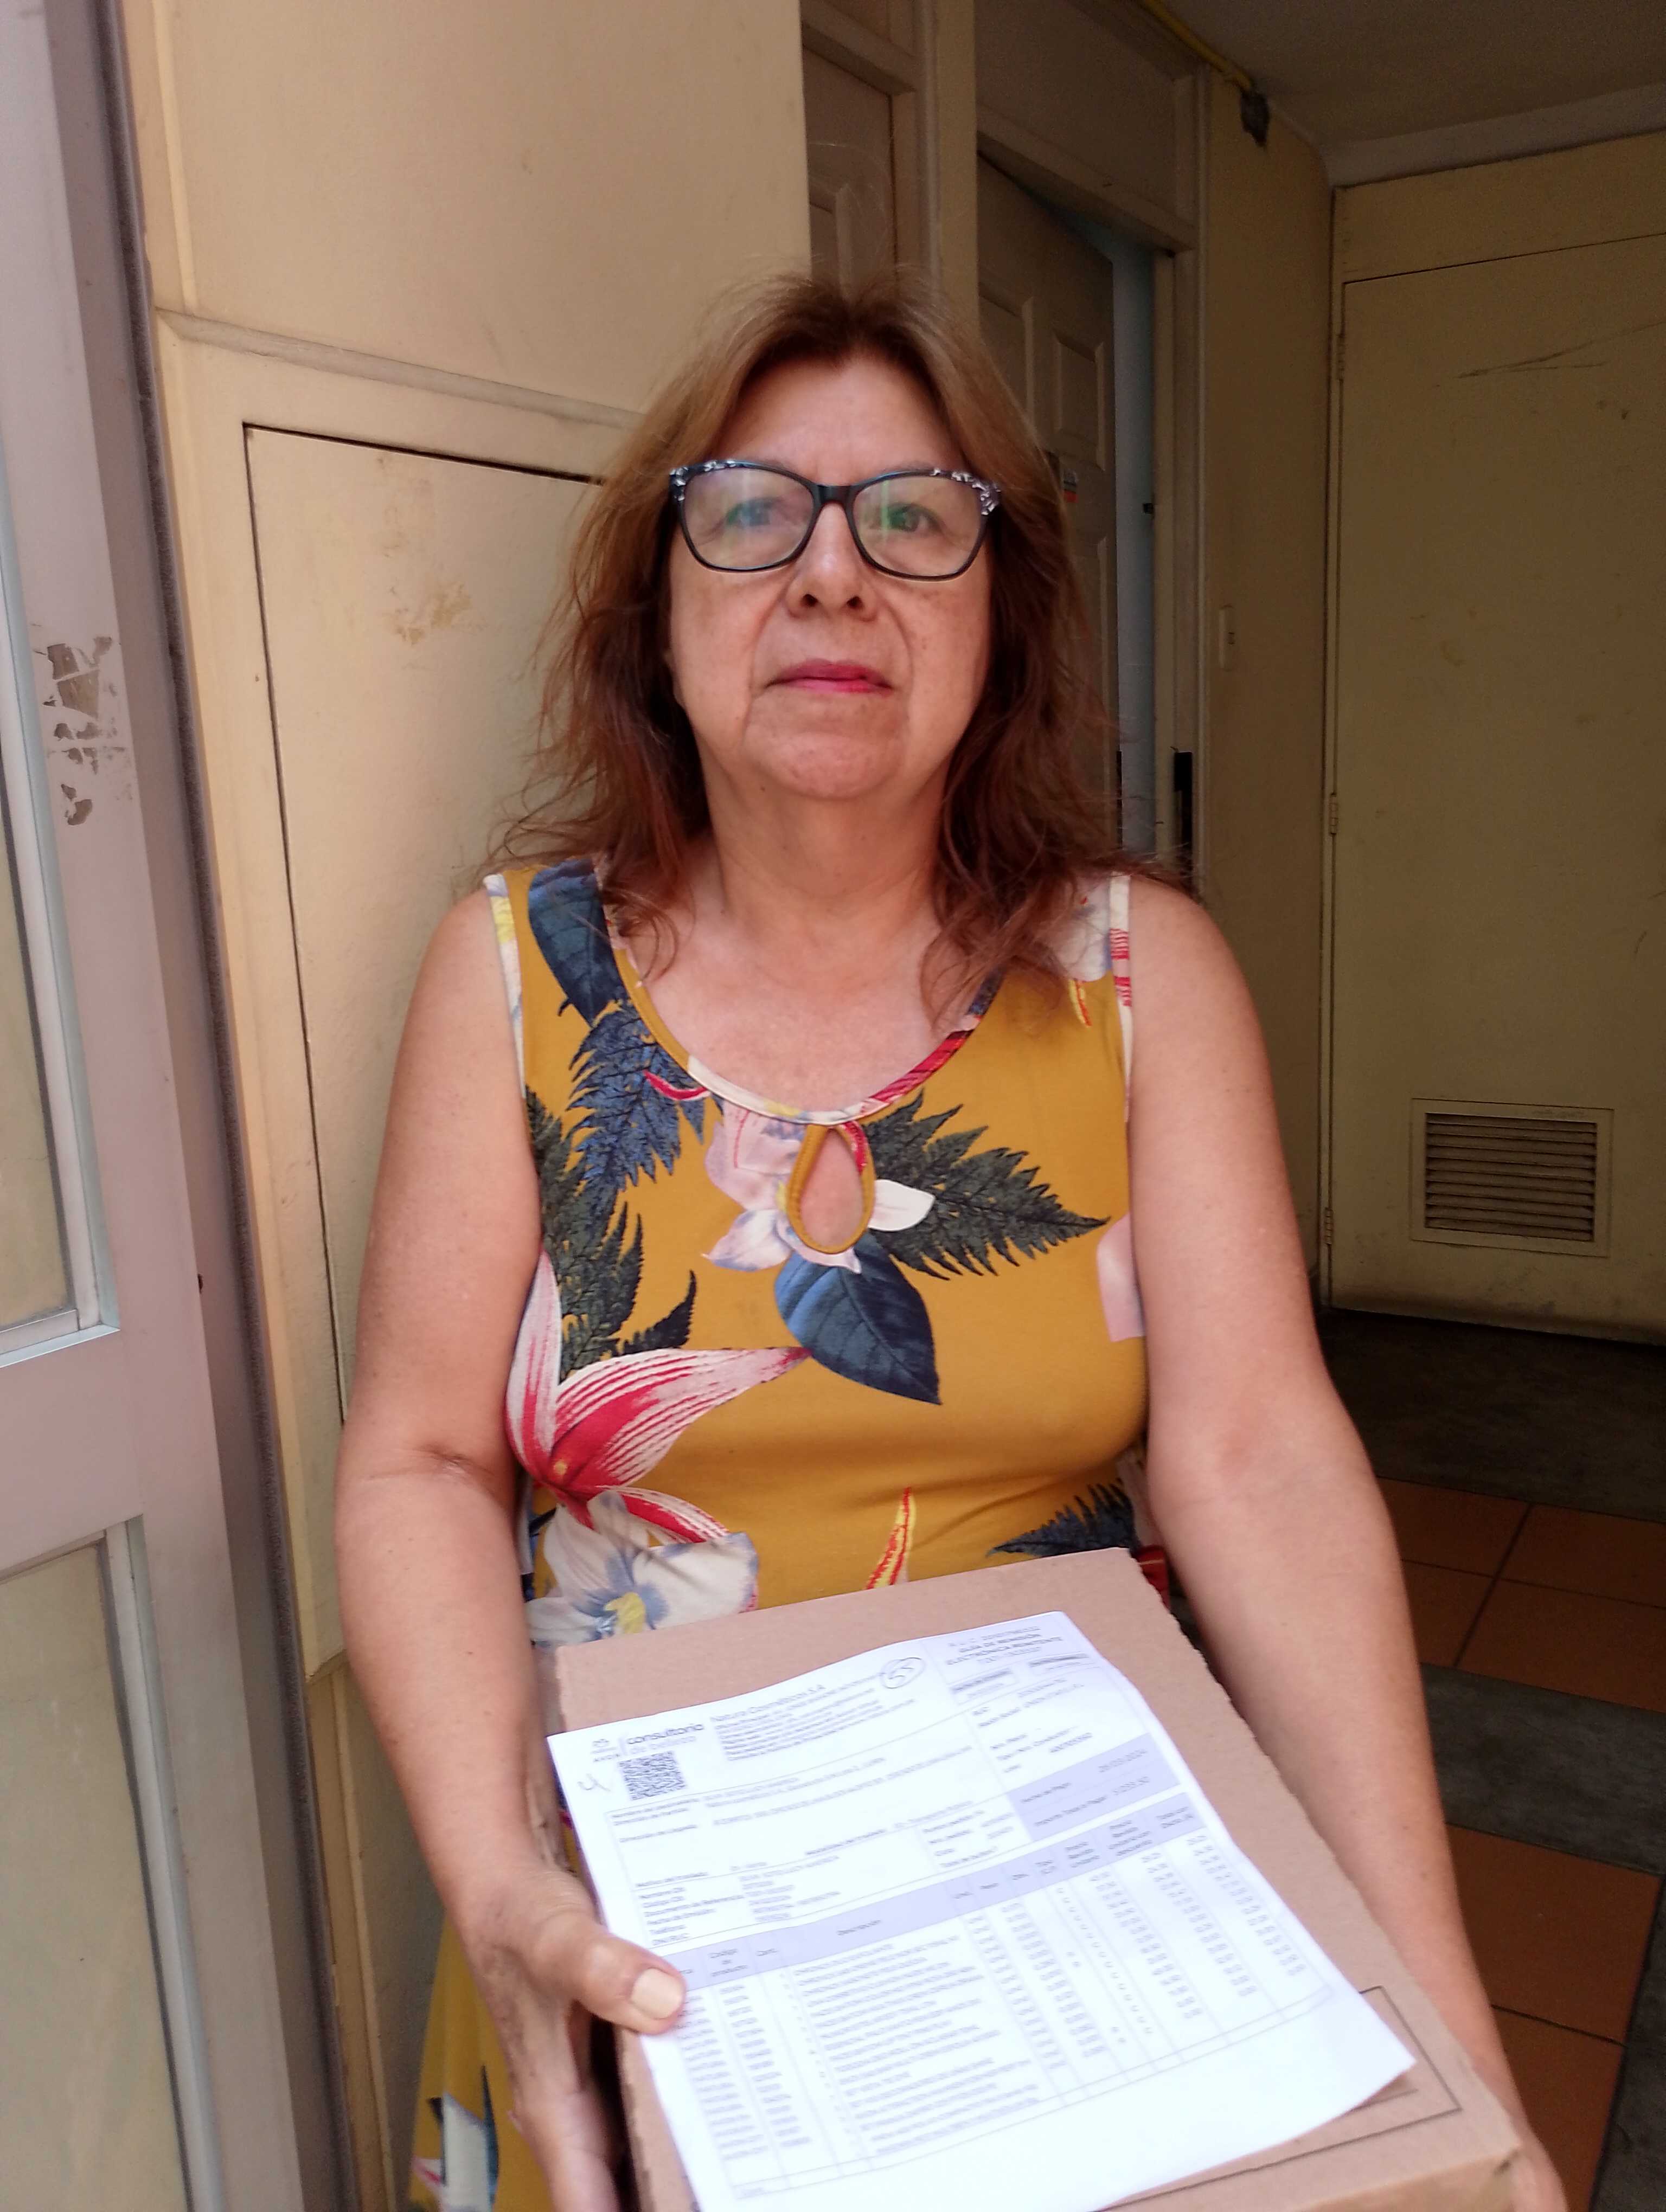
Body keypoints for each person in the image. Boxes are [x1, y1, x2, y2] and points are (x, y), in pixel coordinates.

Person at [336, 274, 1561, 2212]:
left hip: (1062, 1915)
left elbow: (1261, 1463)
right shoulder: (513, 980)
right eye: (752, 513)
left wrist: (1458, 2054)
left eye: (915, 518)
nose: (831, 574)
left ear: (1004, 616)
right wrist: (495, 1896)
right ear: (659, 610)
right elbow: (416, 1459)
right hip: (637, 1937)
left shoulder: (1142, 980)